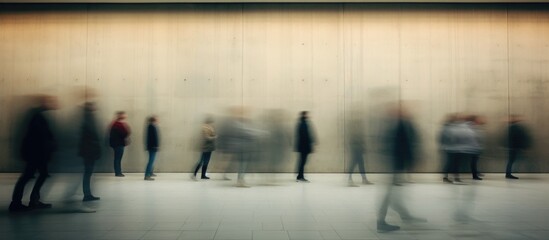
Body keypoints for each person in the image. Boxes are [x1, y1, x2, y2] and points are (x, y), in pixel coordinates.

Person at [377, 106, 426, 232]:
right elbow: (403, 145)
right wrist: (410, 162)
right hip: (396, 163)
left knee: (393, 193)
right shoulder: (398, 125)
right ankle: (381, 223)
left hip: (396, 163)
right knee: (389, 194)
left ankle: (404, 215)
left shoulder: (394, 124)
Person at [9, 95, 58, 212]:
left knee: (35, 175)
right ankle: (20, 202)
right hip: (36, 154)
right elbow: (39, 137)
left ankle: (27, 201)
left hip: (36, 154)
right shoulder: (37, 116)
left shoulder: (36, 115)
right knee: (30, 176)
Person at [79, 102, 101, 201]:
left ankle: (87, 194)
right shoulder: (88, 118)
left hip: (88, 151)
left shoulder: (87, 118)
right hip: (89, 151)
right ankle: (87, 194)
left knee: (88, 173)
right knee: (88, 173)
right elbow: (91, 137)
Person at [505, 115, 532, 179]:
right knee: (511, 161)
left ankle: (508, 174)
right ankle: (508, 174)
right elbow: (518, 138)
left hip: (512, 147)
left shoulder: (511, 127)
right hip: (514, 147)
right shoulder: (515, 128)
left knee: (511, 161)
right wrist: (523, 147)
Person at [348, 114, 372, 186]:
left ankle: (362, 179)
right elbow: (356, 139)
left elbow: (360, 139)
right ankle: (351, 179)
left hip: (357, 149)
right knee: (356, 164)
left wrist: (363, 146)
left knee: (359, 163)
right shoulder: (354, 129)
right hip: (356, 149)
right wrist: (362, 146)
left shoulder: (356, 129)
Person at [295, 111, 315, 182]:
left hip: (302, 147)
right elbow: (305, 136)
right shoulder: (304, 124)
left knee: (302, 162)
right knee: (303, 162)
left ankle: (299, 176)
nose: (307, 116)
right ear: (304, 115)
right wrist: (310, 144)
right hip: (304, 147)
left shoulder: (301, 123)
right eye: (306, 115)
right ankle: (300, 176)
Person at [109, 111, 130, 177]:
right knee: (118, 159)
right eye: (124, 115)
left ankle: (118, 172)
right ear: (120, 116)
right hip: (118, 144)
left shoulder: (115, 124)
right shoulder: (118, 124)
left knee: (117, 158)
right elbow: (125, 133)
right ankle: (118, 172)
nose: (125, 116)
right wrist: (126, 127)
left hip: (117, 144)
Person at [145, 116, 160, 181]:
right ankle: (147, 175)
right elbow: (152, 138)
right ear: (154, 120)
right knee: (151, 161)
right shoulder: (151, 127)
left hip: (152, 147)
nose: (158, 120)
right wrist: (155, 146)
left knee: (152, 161)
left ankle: (150, 173)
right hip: (152, 147)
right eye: (157, 119)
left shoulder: (152, 126)